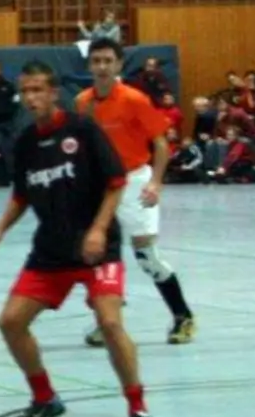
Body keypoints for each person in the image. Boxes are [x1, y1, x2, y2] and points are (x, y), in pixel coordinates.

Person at [0, 60, 151, 417]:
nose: (31, 98)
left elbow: (115, 182)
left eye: (37, 90)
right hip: (51, 251)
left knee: (109, 323)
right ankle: (45, 398)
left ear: (53, 92)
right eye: (25, 91)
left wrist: (97, 229)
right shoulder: (25, 143)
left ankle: (137, 406)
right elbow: (22, 195)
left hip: (97, 250)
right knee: (10, 322)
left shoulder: (82, 129)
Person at [75, 38, 197, 348]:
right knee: (100, 257)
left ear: (118, 65)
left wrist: (155, 182)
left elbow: (159, 143)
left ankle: (183, 316)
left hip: (134, 181)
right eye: (96, 61)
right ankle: (109, 321)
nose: (102, 67)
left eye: (107, 61)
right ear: (89, 65)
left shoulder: (135, 99)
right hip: (102, 188)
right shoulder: (82, 102)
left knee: (146, 257)